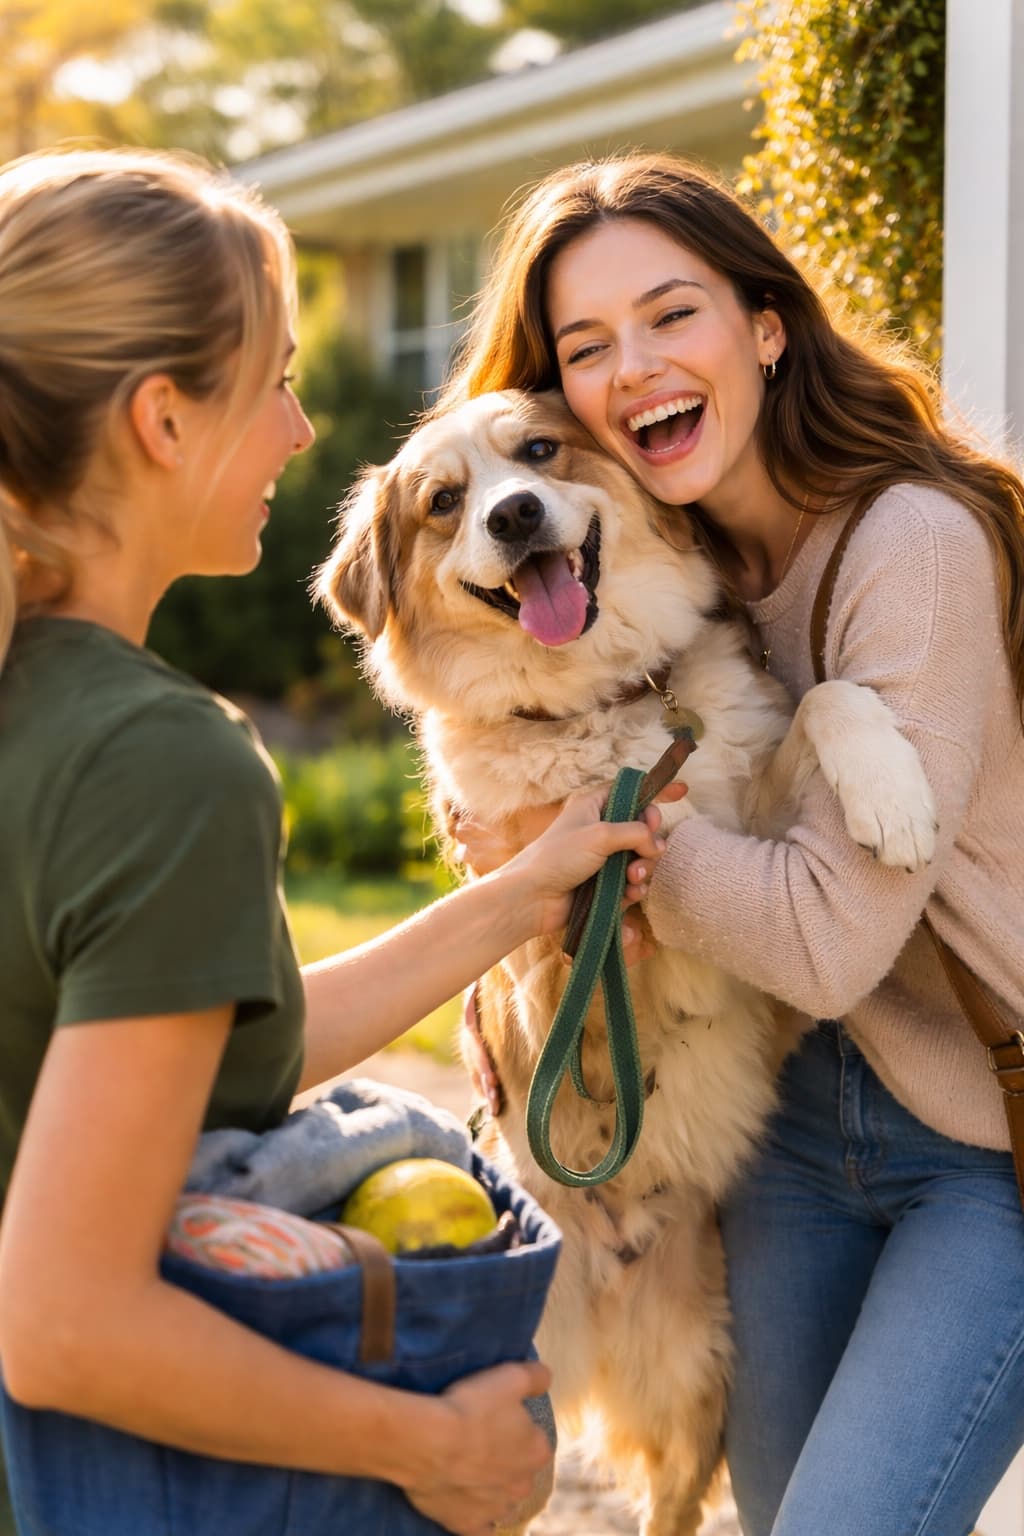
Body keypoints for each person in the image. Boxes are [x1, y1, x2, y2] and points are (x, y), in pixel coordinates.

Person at [0, 146, 670, 1536]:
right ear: (162, 422)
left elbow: (207, 1059)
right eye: (280, 382)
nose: (304, 435)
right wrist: (425, 1442)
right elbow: (61, 1325)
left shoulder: (39, 712)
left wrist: (527, 894)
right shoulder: (160, 761)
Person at [439, 152, 1024, 1536]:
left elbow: (824, 942)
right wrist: (519, 869)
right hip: (785, 1136)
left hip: (984, 1146)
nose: (634, 368)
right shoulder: (658, 574)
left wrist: (590, 843)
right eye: (588, 347)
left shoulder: (912, 546)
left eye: (672, 316)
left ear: (766, 326)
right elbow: (518, 779)